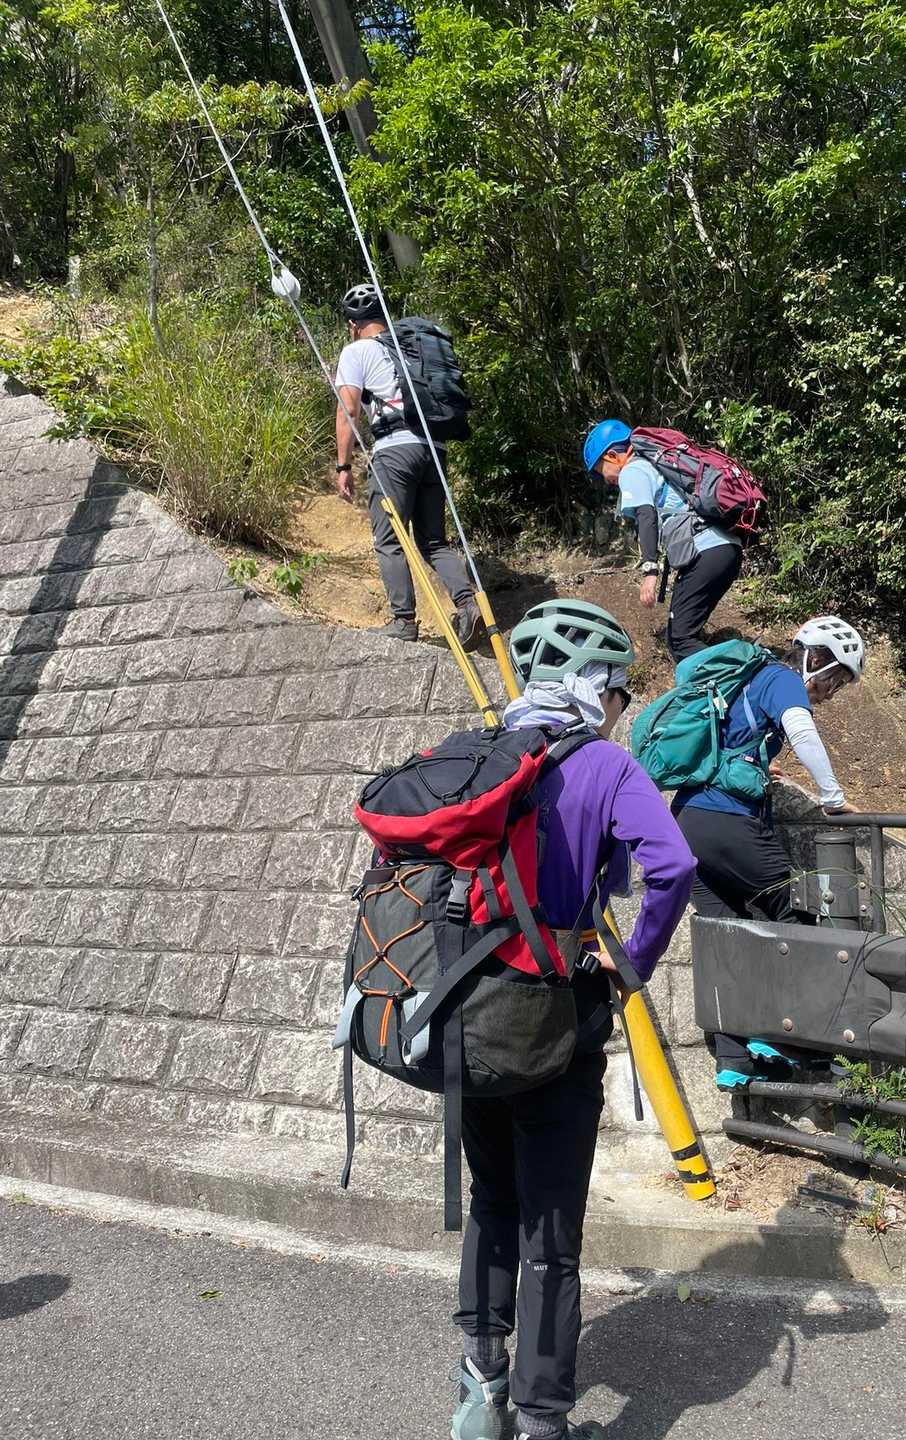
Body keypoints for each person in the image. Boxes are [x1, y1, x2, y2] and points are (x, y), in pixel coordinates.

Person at [453, 598, 695, 1440]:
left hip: (469, 1013)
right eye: (620, 691)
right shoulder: (605, 764)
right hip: (559, 1019)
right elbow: (672, 865)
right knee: (550, 1230)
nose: (622, 708)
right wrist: (636, 959)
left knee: (492, 1196)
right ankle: (543, 1419)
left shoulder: (481, 750)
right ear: (595, 685)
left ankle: (480, 1386)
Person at [671, 616, 864, 1083]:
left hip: (686, 823)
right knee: (796, 913)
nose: (831, 692)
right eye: (835, 679)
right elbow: (803, 732)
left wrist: (760, 765)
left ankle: (734, 1060)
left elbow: (732, 742)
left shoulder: (750, 679)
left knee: (726, 935)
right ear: (815, 659)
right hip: (726, 822)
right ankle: (792, 1040)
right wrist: (833, 798)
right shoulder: (781, 678)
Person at [333, 282, 481, 646]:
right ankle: (469, 605)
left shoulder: (357, 351)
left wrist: (343, 466)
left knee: (389, 538)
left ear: (353, 325)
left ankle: (403, 621)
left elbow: (348, 410)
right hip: (434, 448)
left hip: (395, 452)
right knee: (433, 540)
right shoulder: (408, 347)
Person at [583, 419, 742, 661]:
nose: (604, 479)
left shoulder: (632, 470)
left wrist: (650, 571)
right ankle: (738, 665)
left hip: (706, 552)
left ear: (613, 456)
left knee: (680, 641)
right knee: (682, 635)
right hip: (726, 548)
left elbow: (646, 515)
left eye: (600, 470)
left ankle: (751, 671)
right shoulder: (656, 467)